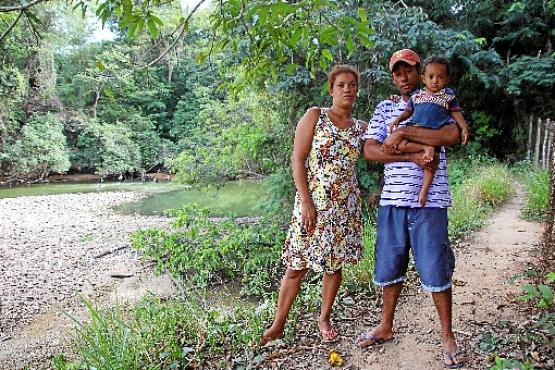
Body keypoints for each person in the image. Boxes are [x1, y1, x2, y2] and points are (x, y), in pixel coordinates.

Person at [358, 49, 466, 369]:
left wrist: (404, 133)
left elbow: (451, 133)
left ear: (421, 72)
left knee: (435, 267)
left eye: (409, 71)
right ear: (393, 76)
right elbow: (370, 150)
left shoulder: (438, 98)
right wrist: (414, 155)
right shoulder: (385, 107)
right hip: (392, 199)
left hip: (430, 202)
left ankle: (447, 336)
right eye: (397, 73)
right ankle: (386, 325)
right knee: (390, 266)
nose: (403, 77)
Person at [261, 65, 366, 345]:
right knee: (297, 265)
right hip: (313, 206)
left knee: (334, 266)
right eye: (341, 85)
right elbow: (297, 159)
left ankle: (324, 318)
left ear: (356, 90)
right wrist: (306, 201)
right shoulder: (315, 116)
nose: (347, 89)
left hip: (345, 208)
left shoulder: (361, 129)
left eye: (352, 85)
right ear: (331, 90)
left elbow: (387, 146)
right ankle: (278, 324)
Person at [388, 55, 469, 206]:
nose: (435, 81)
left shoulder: (448, 96)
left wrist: (464, 128)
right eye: (431, 77)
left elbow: (456, 113)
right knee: (399, 144)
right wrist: (397, 120)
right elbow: (408, 112)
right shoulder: (417, 95)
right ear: (424, 78)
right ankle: (425, 147)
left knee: (431, 164)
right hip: (415, 129)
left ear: (446, 79)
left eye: (440, 77)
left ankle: (423, 192)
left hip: (435, 130)